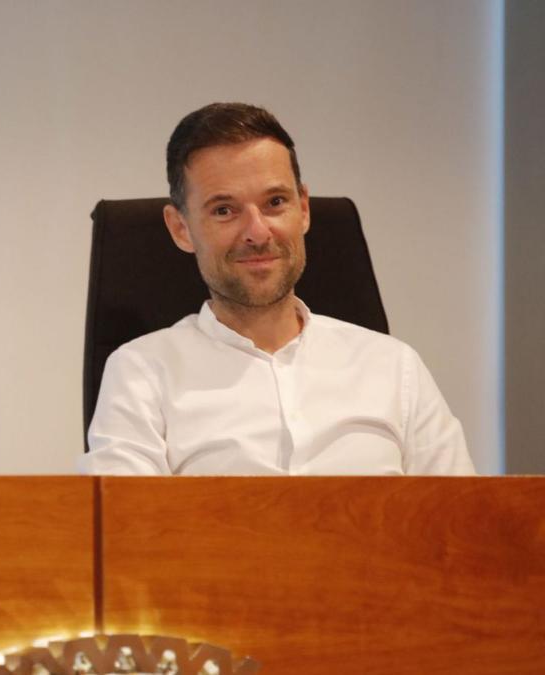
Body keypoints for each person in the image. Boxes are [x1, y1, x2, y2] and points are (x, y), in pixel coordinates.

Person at [81, 102, 474, 476]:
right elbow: (124, 532)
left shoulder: (395, 368)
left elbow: (464, 524)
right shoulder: (141, 373)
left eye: (275, 202)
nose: (257, 232)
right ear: (180, 228)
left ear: (303, 209)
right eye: (224, 210)